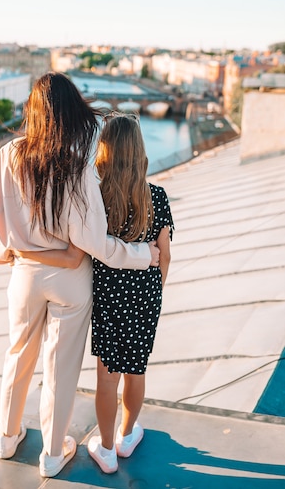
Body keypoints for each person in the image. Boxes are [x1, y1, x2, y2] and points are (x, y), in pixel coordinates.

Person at [0, 74, 160, 478]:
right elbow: (96, 243)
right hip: (70, 280)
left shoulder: (8, 154)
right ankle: (51, 453)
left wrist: (10, 252)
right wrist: (142, 255)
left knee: (18, 355)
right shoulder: (78, 167)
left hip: (25, 274)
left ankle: (7, 439)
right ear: (70, 112)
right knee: (60, 368)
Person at [19, 113, 173, 474]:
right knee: (136, 370)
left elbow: (86, 245)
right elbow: (164, 254)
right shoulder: (157, 197)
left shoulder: (96, 196)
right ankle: (127, 434)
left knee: (107, 377)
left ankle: (105, 449)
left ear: (104, 150)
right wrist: (156, 290)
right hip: (146, 294)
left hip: (108, 296)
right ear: (139, 152)